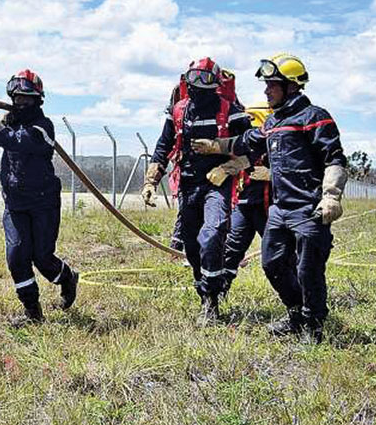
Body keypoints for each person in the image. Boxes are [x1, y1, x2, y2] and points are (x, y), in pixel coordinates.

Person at [192, 53, 347, 344]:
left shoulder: (315, 117)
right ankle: (295, 312)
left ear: (291, 86)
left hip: (308, 209)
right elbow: (245, 142)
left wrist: (330, 196)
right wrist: (214, 146)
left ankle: (313, 325)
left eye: (271, 85)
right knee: (272, 263)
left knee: (307, 269)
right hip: (279, 209)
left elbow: (334, 159)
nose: (266, 91)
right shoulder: (273, 122)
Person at [141, 57, 251, 325]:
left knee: (211, 234)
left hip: (217, 184)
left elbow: (252, 146)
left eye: (204, 84)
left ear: (215, 86)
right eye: (192, 83)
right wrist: (150, 181)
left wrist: (227, 166)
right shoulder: (179, 111)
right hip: (189, 185)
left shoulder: (231, 110)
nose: (197, 89)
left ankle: (211, 301)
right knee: (191, 245)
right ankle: (203, 288)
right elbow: (164, 144)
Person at [0, 69, 79, 324]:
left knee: (42, 257)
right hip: (15, 202)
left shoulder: (42, 127)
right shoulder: (10, 120)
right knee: (16, 256)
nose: (20, 102)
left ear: (37, 100)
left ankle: (67, 277)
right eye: (16, 98)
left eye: (26, 98)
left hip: (43, 202)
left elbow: (13, 142)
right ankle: (33, 312)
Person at [219, 103, 273, 296]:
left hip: (269, 208)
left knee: (278, 254)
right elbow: (244, 159)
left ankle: (298, 298)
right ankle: (219, 291)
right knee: (231, 249)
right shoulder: (248, 146)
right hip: (244, 204)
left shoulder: (279, 147)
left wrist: (272, 174)